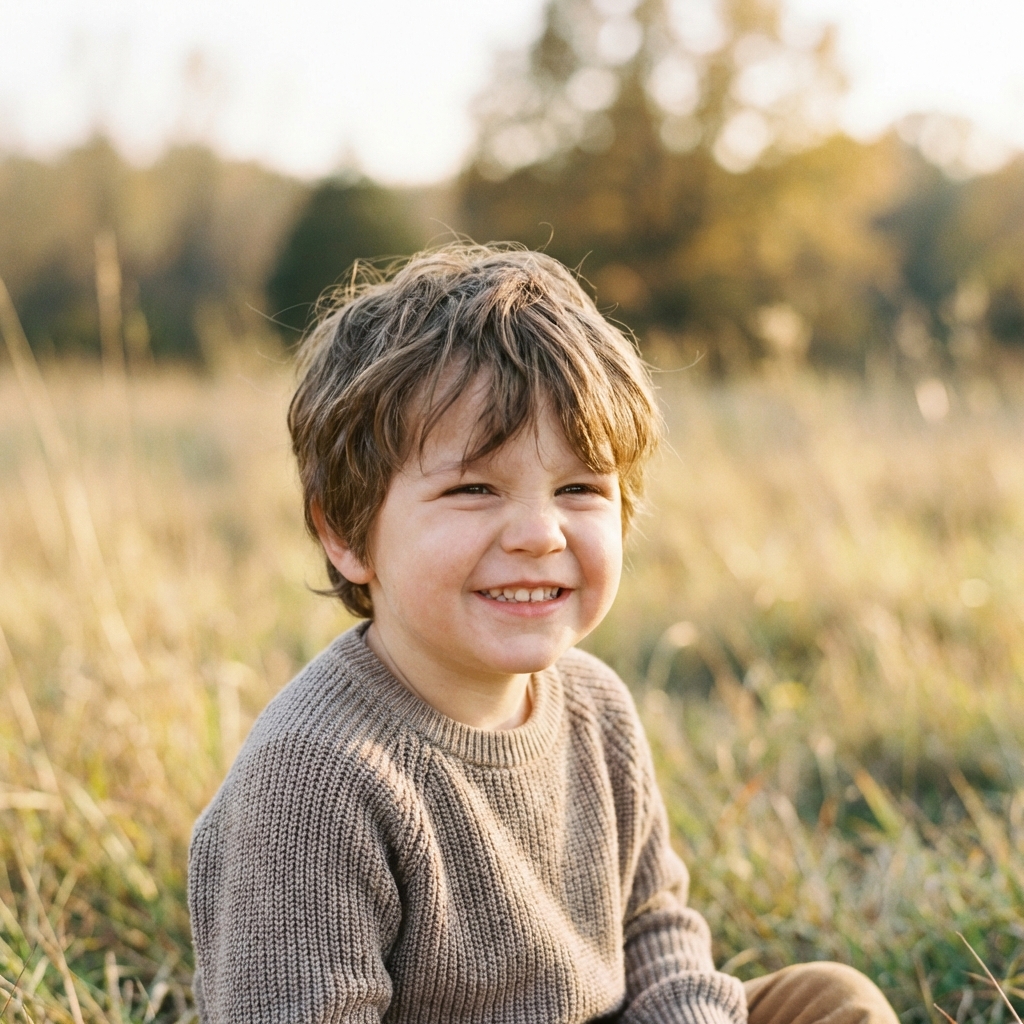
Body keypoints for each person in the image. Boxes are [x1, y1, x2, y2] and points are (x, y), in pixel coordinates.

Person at [188, 243, 899, 1024]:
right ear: (346, 534)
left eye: (578, 488)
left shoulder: (595, 705)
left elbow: (651, 923)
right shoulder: (314, 778)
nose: (537, 532)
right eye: (473, 488)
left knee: (831, 1000)